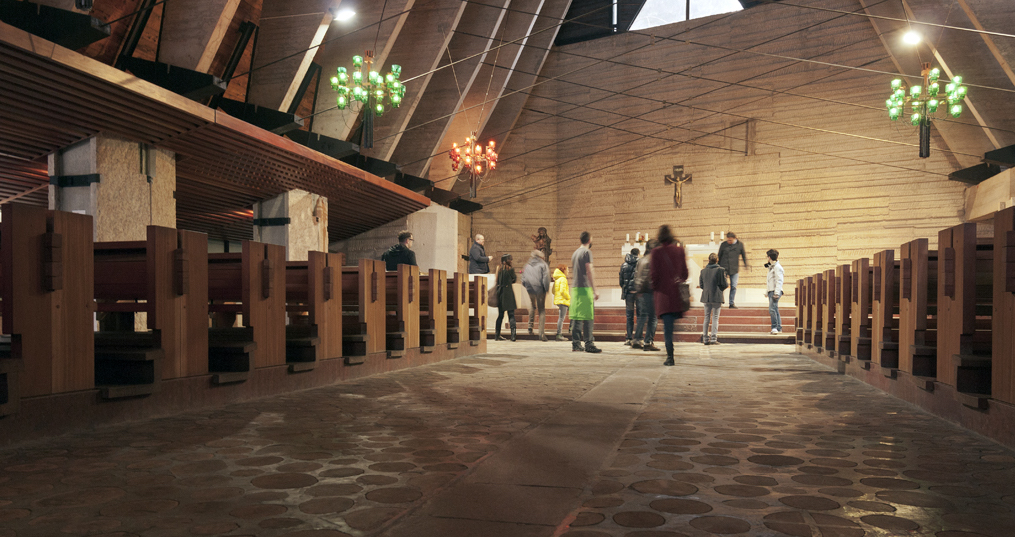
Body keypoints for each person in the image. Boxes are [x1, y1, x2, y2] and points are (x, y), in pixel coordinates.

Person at [650, 225, 689, 366]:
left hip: (663, 295)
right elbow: (685, 274)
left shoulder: (656, 252)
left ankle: (670, 356)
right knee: (671, 327)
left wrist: (654, 288)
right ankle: (671, 352)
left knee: (667, 329)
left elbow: (654, 275)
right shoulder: (679, 250)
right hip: (675, 295)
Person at [570, 231, 601, 353]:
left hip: (575, 288)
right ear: (589, 240)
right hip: (585, 287)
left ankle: (576, 344)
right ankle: (589, 343)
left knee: (577, 317)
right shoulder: (587, 252)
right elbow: (589, 270)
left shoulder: (575, 253)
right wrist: (595, 289)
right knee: (588, 317)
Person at [631, 240, 659, 352]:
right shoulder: (653, 260)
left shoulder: (641, 260)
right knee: (653, 318)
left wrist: (638, 290)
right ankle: (648, 342)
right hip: (650, 291)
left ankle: (637, 340)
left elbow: (636, 276)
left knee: (642, 316)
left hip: (640, 292)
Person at [521, 250, 552, 341]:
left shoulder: (527, 265)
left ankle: (530, 327)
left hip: (530, 289)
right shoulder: (543, 265)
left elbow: (523, 278)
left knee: (532, 306)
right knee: (541, 310)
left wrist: (527, 286)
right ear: (541, 257)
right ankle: (541, 334)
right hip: (540, 289)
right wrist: (546, 289)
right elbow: (546, 278)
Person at [699, 252, 728, 346]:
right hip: (716, 296)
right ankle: (713, 339)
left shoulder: (703, 271)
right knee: (715, 318)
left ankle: (705, 339)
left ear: (708, 260)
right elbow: (725, 284)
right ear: (717, 260)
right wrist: (720, 290)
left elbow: (701, 285)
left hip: (706, 297)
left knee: (706, 317)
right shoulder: (720, 270)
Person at [717, 231, 749, 308]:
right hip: (723, 268)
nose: (729, 242)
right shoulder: (723, 245)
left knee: (733, 286)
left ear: (735, 238)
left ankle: (731, 303)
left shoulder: (740, 245)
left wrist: (746, 265)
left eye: (730, 240)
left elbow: (744, 256)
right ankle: (720, 301)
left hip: (734, 269)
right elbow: (719, 256)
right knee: (722, 285)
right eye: (728, 240)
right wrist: (717, 267)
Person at [494, 254, 517, 341]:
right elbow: (514, 279)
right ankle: (513, 335)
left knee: (500, 315)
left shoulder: (499, 269)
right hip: (508, 293)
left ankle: (497, 335)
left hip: (500, 293)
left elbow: (497, 280)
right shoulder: (510, 269)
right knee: (511, 315)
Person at [619, 248, 640, 345]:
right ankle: (638, 338)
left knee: (629, 316)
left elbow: (621, 281)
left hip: (628, 293)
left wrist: (626, 288)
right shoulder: (640, 263)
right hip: (639, 293)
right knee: (640, 316)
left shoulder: (624, 265)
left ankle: (628, 338)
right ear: (638, 254)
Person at [766, 249, 785, 334]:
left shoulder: (777, 267)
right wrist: (767, 292)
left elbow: (779, 281)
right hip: (771, 291)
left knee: (772, 309)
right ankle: (779, 327)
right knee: (775, 309)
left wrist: (776, 293)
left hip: (775, 291)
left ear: (769, 257)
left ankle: (774, 327)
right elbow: (770, 281)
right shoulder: (772, 267)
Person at [552, 264, 570, 341]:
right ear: (563, 270)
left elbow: (553, 291)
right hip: (563, 300)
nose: (568, 271)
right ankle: (559, 334)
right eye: (567, 269)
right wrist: (569, 297)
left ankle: (560, 334)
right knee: (561, 318)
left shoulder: (557, 279)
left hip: (559, 300)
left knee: (561, 318)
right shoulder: (563, 279)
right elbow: (563, 291)